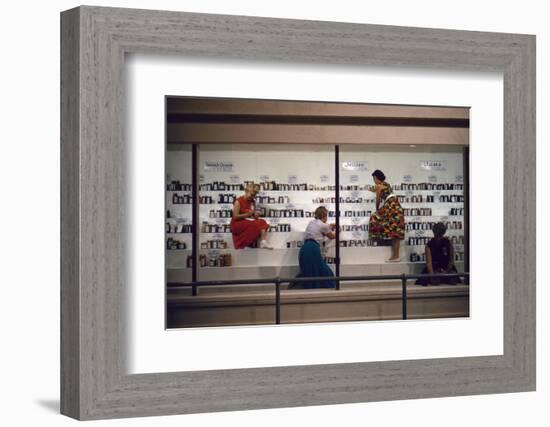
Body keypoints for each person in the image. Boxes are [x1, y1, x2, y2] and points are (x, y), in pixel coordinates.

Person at [290, 206, 337, 289]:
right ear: (324, 215)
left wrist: (329, 226)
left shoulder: (311, 222)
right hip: (313, 249)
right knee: (324, 271)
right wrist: (338, 230)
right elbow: (331, 236)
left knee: (309, 271)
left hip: (304, 249)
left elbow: (318, 228)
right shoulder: (324, 226)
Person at [368, 169, 405, 262]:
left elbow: (377, 199)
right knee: (395, 231)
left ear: (376, 178)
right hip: (396, 206)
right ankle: (396, 256)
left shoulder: (379, 186)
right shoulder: (386, 184)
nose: (374, 181)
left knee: (374, 217)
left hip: (391, 206)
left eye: (374, 179)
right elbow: (374, 189)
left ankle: (377, 237)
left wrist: (377, 209)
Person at [230, 183, 273, 249]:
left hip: (246, 222)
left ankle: (263, 241)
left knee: (262, 221)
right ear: (246, 191)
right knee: (255, 224)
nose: (252, 197)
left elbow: (252, 214)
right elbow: (235, 217)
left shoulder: (252, 202)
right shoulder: (238, 201)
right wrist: (247, 215)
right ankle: (244, 244)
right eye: (252, 195)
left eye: (254, 195)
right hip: (236, 224)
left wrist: (255, 215)